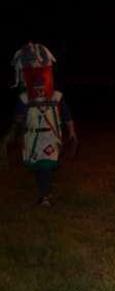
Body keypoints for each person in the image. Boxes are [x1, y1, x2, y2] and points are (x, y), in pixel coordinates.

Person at [9, 42, 77, 206]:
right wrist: (14, 131)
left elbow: (67, 116)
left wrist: (72, 132)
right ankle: (43, 192)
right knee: (39, 167)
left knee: (46, 166)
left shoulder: (56, 96)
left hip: (50, 136)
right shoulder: (25, 98)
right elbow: (18, 118)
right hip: (32, 137)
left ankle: (45, 195)